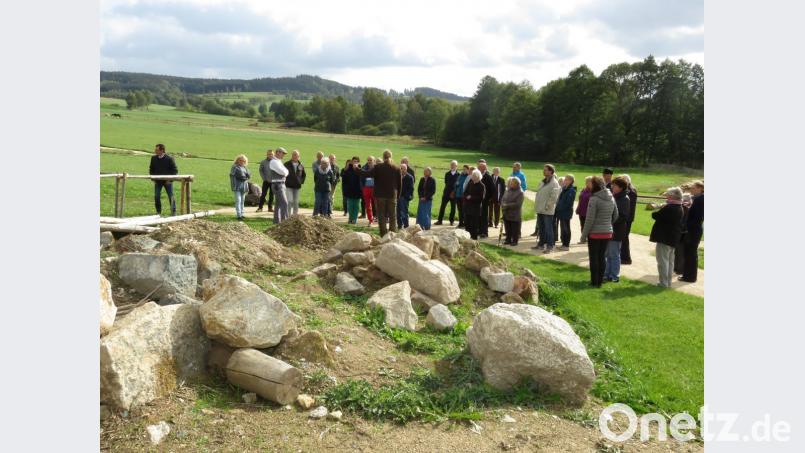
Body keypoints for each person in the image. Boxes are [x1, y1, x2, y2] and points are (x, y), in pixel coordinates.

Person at [580, 176, 618, 288]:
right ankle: (600, 282)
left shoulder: (594, 199)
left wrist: (583, 235)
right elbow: (616, 215)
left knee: (594, 257)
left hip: (595, 233)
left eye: (590, 183)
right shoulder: (611, 197)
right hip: (607, 232)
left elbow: (589, 219)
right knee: (601, 257)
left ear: (595, 185)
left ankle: (594, 282)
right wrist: (607, 224)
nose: (588, 185)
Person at [356, 149, 402, 237]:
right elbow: (400, 184)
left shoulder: (378, 167)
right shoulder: (396, 168)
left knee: (381, 216)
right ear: (391, 157)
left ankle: (383, 235)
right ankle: (393, 235)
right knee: (393, 216)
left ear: (383, 157)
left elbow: (366, 174)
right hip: (392, 195)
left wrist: (357, 169)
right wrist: (398, 196)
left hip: (380, 195)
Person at [649, 187, 684, 288]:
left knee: (663, 261)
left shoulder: (670, 207)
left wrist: (661, 207)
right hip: (672, 238)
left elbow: (655, 215)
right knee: (669, 261)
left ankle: (663, 283)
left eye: (668, 195)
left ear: (673, 196)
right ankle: (667, 282)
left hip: (664, 238)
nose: (667, 197)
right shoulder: (679, 206)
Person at [604, 177, 631, 282]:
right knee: (607, 254)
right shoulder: (613, 196)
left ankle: (614, 276)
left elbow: (623, 216)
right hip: (609, 229)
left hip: (617, 230)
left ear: (620, 187)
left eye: (614, 185)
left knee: (614, 254)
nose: (612, 187)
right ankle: (607, 274)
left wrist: (610, 220)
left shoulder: (625, 199)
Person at [532, 164, 561, 253]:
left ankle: (550, 246)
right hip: (540, 209)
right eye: (543, 169)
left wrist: (547, 207)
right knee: (541, 228)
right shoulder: (543, 181)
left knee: (549, 229)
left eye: (545, 170)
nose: (543, 171)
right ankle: (541, 244)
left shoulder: (554, 183)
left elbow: (553, 198)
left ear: (551, 171)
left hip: (547, 210)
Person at [680, 181, 704, 282]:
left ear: (700, 188)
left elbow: (696, 217)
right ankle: (689, 276)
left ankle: (689, 277)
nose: (691, 189)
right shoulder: (699, 198)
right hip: (696, 228)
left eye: (693, 187)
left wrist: (687, 227)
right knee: (690, 253)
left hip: (693, 229)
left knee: (690, 253)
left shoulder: (700, 199)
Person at [149, 143, 178, 216]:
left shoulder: (169, 159)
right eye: (155, 149)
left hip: (167, 181)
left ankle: (173, 211)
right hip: (158, 181)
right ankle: (158, 212)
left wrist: (170, 180)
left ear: (162, 150)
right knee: (156, 196)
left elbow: (175, 171)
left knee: (171, 196)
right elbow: (151, 169)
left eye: (157, 150)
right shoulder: (153, 158)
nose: (155, 151)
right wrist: (153, 178)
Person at [619, 174, 638, 265]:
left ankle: (626, 258)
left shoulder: (631, 192)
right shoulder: (630, 191)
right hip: (627, 217)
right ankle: (622, 256)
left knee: (624, 237)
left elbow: (629, 207)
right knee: (623, 237)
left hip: (627, 218)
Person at [555, 174, 577, 250]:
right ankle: (563, 244)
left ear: (570, 181)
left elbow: (568, 203)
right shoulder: (564, 188)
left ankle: (566, 245)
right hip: (561, 212)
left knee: (566, 228)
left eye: (566, 179)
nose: (564, 181)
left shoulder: (571, 190)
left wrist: (560, 208)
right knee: (563, 228)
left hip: (566, 212)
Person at [269, 147, 290, 224]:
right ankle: (285, 222)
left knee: (278, 204)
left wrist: (285, 172)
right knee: (284, 203)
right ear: (277, 152)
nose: (283, 155)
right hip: (277, 184)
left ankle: (276, 222)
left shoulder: (278, 161)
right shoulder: (274, 162)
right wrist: (285, 172)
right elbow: (283, 172)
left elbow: (286, 171)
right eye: (282, 153)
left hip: (280, 184)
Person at [462, 169, 486, 240]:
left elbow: (481, 198)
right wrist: (466, 196)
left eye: (474, 176)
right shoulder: (470, 183)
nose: (472, 177)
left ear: (478, 177)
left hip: (475, 209)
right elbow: (465, 192)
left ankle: (474, 239)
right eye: (472, 176)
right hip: (468, 207)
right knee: (467, 224)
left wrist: (471, 197)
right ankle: (467, 238)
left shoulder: (482, 186)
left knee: (474, 225)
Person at [500, 177, 524, 245]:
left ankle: (514, 241)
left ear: (517, 184)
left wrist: (507, 205)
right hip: (506, 212)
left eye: (512, 183)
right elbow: (503, 198)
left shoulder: (520, 192)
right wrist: (503, 204)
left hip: (514, 214)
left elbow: (518, 204)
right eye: (510, 183)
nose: (510, 184)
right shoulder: (508, 190)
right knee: (507, 227)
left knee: (514, 228)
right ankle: (508, 239)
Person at [435, 160, 459, 226]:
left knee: (453, 208)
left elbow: (458, 185)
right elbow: (446, 182)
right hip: (446, 193)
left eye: (454, 165)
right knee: (442, 207)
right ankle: (440, 220)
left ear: (456, 166)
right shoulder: (447, 174)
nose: (452, 166)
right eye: (451, 165)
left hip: (454, 194)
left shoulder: (458, 175)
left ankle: (451, 221)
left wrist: (453, 192)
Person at [477, 160, 497, 238]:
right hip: (478, 200)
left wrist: (490, 198)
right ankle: (479, 230)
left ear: (483, 168)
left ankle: (484, 232)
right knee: (478, 215)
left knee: (484, 216)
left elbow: (493, 189)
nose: (478, 169)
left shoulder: (488, 177)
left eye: (479, 167)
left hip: (485, 200)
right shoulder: (478, 175)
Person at [284, 149, 306, 216]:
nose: (294, 156)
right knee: (289, 201)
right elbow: (283, 174)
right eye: (293, 154)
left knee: (296, 202)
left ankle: (295, 216)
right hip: (288, 186)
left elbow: (304, 175)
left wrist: (300, 182)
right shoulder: (286, 164)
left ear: (299, 156)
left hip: (297, 186)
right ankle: (288, 216)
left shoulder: (301, 165)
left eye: (296, 155)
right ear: (291, 156)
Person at [342, 156, 363, 224]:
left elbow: (362, 179)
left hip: (358, 190)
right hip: (350, 190)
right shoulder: (348, 169)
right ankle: (350, 218)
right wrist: (346, 168)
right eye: (354, 161)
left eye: (356, 162)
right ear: (352, 162)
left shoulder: (360, 170)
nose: (355, 163)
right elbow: (342, 175)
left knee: (356, 206)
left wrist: (357, 169)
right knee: (350, 205)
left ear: (358, 162)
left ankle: (354, 219)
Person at [229, 154, 251, 221]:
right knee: (238, 200)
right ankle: (238, 215)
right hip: (237, 186)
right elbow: (235, 176)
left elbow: (249, 175)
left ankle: (242, 214)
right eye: (240, 160)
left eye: (244, 161)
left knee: (242, 201)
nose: (242, 162)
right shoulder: (235, 167)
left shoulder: (245, 167)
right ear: (237, 160)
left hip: (243, 186)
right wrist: (245, 176)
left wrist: (247, 176)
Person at [575, 176, 592, 244]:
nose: (587, 183)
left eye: (588, 181)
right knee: (582, 225)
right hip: (581, 210)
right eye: (586, 181)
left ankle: (589, 239)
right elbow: (580, 199)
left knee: (588, 226)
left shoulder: (594, 191)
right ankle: (583, 238)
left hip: (588, 211)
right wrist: (578, 208)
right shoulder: (584, 189)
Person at [398, 163, 414, 228]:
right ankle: (399, 225)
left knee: (404, 212)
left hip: (404, 197)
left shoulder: (409, 177)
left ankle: (406, 225)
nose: (402, 170)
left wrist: (405, 196)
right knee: (397, 212)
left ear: (406, 169)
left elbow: (411, 189)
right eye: (401, 168)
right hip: (397, 197)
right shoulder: (398, 176)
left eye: (403, 169)